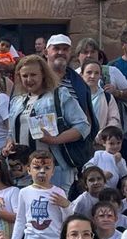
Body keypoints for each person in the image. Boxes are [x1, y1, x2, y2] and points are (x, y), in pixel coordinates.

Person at [7, 55, 92, 192]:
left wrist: (55, 139)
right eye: (25, 76)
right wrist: (9, 144)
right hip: (24, 171)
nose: (29, 79)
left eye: (33, 75)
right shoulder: (16, 101)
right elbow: (11, 132)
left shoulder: (59, 95)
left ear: (44, 75)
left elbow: (83, 126)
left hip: (55, 168)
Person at [10, 150, 70, 239]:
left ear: (53, 171)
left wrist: (66, 206)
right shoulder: (24, 192)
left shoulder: (59, 192)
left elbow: (68, 220)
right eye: (37, 167)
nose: (42, 171)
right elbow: (20, 219)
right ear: (29, 170)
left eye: (47, 168)